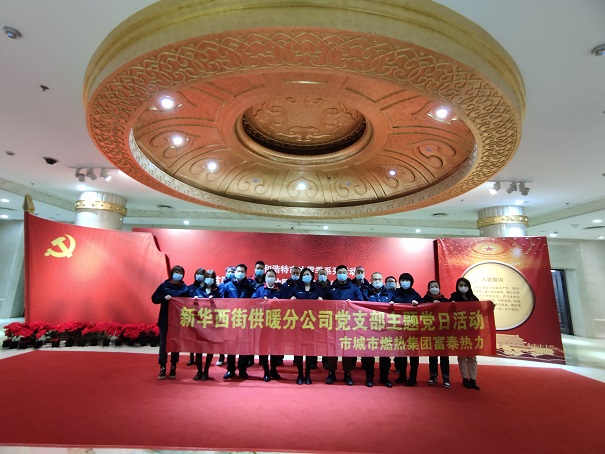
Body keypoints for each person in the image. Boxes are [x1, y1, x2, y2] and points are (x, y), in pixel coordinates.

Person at [324, 264, 364, 385]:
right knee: (332, 349)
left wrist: (353, 303)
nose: (342, 274)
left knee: (347, 349)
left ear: (347, 274)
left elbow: (361, 303)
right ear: (336, 275)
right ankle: (331, 372)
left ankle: (347, 373)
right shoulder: (330, 288)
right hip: (333, 324)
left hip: (348, 324)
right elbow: (323, 304)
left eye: (344, 272)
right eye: (339, 273)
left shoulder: (354, 288)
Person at [151, 265, 189, 380]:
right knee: (164, 343)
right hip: (165, 319)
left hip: (178, 320)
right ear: (172, 273)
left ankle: (173, 366)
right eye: (176, 272)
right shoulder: (164, 286)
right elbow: (154, 299)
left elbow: (190, 302)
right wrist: (164, 297)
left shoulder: (184, 288)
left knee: (175, 343)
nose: (178, 274)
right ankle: (162, 366)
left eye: (181, 273)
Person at [290, 267, 323, 384]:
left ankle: (308, 374)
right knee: (299, 350)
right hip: (298, 324)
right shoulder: (296, 289)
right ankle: (300, 374)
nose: (306, 276)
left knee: (309, 350)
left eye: (308, 274)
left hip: (312, 324)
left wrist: (321, 300)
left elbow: (324, 305)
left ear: (312, 276)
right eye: (304, 274)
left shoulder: (317, 289)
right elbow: (288, 304)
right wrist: (291, 300)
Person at [223, 263, 256, 379]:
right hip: (231, 320)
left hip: (245, 320)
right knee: (231, 345)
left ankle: (242, 369)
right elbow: (222, 301)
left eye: (242, 271)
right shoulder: (228, 285)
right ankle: (230, 369)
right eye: (238, 271)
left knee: (243, 346)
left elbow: (254, 301)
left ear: (246, 273)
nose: (240, 273)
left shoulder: (250, 286)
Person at [391, 272, 422, 386]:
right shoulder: (394, 294)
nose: (405, 282)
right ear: (399, 282)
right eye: (403, 280)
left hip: (413, 329)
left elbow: (424, 308)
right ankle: (402, 376)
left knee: (413, 355)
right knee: (401, 354)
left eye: (407, 280)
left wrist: (418, 304)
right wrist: (391, 304)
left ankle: (413, 378)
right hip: (400, 328)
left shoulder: (416, 295)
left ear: (411, 282)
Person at [191, 269, 223, 381]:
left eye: (211, 277)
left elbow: (223, 306)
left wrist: (214, 303)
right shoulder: (198, 290)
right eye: (207, 277)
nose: (209, 279)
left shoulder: (218, 291)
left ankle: (206, 371)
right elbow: (192, 307)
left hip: (212, 323)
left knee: (210, 348)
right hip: (200, 323)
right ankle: (199, 371)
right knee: (199, 348)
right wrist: (195, 302)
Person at [252, 268, 283, 381]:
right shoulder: (260, 289)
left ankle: (273, 370)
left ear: (275, 278)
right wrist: (261, 300)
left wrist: (279, 301)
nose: (270, 278)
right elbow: (252, 301)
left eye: (272, 276)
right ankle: (266, 371)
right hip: (263, 323)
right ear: (265, 278)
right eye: (268, 276)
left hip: (276, 322)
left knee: (275, 347)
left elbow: (286, 301)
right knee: (264, 347)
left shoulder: (280, 289)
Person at [450, 277, 481, 390]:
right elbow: (446, 312)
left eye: (465, 285)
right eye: (460, 285)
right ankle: (465, 379)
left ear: (468, 286)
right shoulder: (454, 297)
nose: (463, 287)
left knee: (472, 356)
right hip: (460, 330)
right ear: (457, 287)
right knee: (462, 356)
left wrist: (490, 306)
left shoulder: (474, 298)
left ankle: (473, 379)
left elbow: (481, 311)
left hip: (472, 330)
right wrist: (451, 305)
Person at [365, 272, 394, 388]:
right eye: (375, 279)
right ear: (370, 280)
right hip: (369, 327)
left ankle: (384, 377)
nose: (377, 281)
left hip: (385, 328)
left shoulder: (390, 294)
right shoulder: (365, 293)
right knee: (368, 354)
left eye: (379, 279)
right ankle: (369, 377)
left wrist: (394, 305)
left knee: (385, 355)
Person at [423, 280, 451, 389]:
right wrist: (430, 305)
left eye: (436, 286)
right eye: (431, 286)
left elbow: (453, 309)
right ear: (428, 288)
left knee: (444, 356)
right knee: (433, 356)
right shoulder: (424, 300)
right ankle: (433, 376)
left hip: (443, 333)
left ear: (439, 288)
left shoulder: (444, 300)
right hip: (431, 332)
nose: (434, 288)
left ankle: (446, 378)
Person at [215, 265, 235, 366]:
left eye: (232, 271)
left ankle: (231, 358)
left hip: (234, 315)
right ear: (225, 273)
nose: (230, 273)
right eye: (228, 271)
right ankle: (221, 356)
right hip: (222, 314)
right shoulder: (221, 286)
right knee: (222, 337)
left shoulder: (235, 285)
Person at [186, 267, 206, 366]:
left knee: (200, 338)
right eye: (197, 273)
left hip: (202, 316)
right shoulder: (189, 287)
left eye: (201, 274)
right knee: (191, 337)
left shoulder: (205, 288)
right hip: (191, 315)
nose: (199, 275)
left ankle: (199, 358)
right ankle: (191, 357)